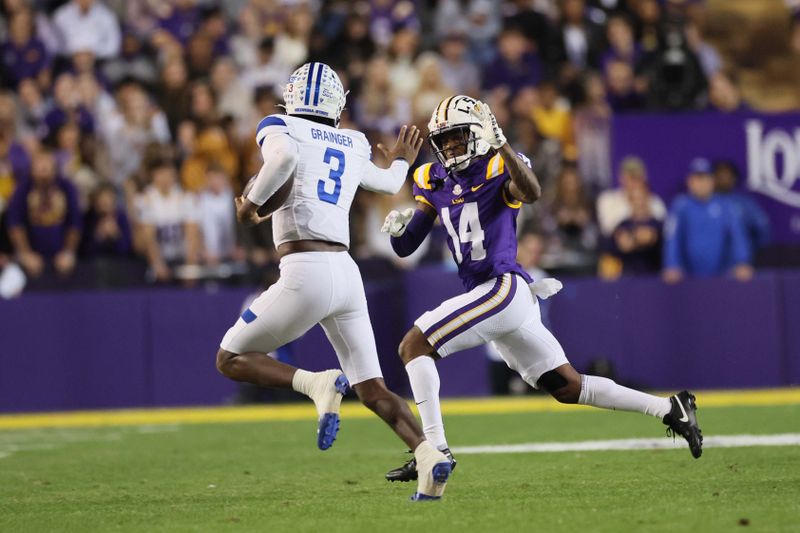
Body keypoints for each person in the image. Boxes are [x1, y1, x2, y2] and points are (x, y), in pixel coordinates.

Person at [380, 96, 703, 483]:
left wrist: (503, 143)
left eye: (458, 137)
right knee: (566, 386)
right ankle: (670, 408)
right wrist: (397, 229)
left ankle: (432, 450)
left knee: (413, 345)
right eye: (445, 140)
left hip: (501, 288)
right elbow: (406, 246)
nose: (450, 147)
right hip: (500, 299)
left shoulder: (500, 163)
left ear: (481, 134)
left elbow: (531, 192)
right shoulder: (432, 179)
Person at [215, 63, 452, 501]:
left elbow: (283, 158)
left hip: (306, 267)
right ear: (336, 103)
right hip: (346, 272)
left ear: (293, 94)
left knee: (230, 357)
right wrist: (401, 158)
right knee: (373, 387)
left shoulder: (278, 125)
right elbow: (388, 182)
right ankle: (427, 453)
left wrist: (250, 205)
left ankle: (316, 384)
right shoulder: (353, 139)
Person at [662, 158, 753, 283]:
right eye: (697, 178)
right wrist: (672, 265)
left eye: (705, 178)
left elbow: (737, 235)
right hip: (687, 279)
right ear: (690, 181)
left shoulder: (725, 205)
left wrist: (742, 262)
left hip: (723, 277)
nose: (701, 183)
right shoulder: (681, 206)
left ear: (712, 181)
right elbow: (672, 237)